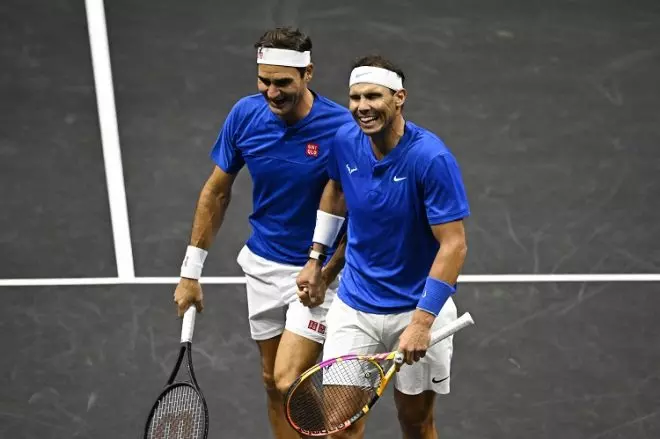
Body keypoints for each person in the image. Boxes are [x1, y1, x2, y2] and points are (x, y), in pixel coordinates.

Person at [173, 27, 353, 439]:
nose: (272, 92)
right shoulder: (244, 115)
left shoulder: (341, 129)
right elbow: (216, 192)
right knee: (274, 384)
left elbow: (357, 210)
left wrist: (326, 271)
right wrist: (190, 271)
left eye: (283, 83)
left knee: (291, 380)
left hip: (319, 274)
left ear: (308, 74)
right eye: (264, 81)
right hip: (262, 267)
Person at [296, 55, 470, 439]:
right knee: (338, 429)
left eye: (373, 96)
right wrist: (317, 261)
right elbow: (337, 190)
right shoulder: (344, 141)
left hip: (416, 308)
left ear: (399, 98)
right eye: (355, 97)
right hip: (355, 309)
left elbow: (454, 245)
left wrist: (422, 322)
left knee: (415, 423)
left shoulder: (431, 158)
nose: (362, 106)